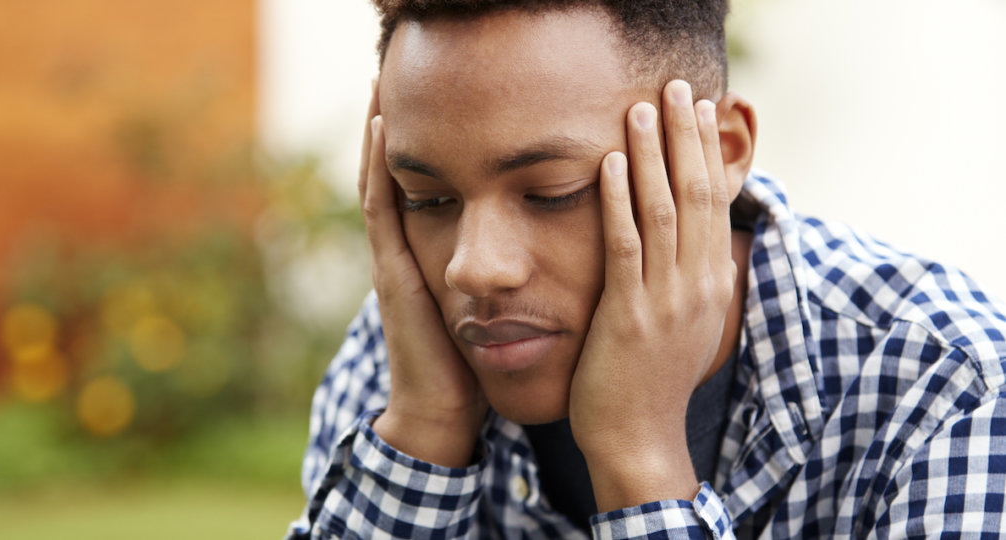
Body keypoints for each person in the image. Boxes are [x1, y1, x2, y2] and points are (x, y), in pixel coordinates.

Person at [287, 1, 1006, 538]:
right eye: (428, 198)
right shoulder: (397, 365)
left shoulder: (948, 392)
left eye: (551, 194)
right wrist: (424, 428)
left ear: (721, 151)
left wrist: (641, 463)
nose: (474, 269)